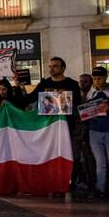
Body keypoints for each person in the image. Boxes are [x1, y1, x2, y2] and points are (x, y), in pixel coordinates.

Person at [33, 56, 86, 193]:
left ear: (63, 68)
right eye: (50, 66)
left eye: (55, 66)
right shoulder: (43, 84)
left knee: (71, 156)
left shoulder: (72, 84)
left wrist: (51, 100)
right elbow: (28, 98)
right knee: (50, 155)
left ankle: (70, 182)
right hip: (49, 129)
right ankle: (53, 182)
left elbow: (76, 105)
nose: (51, 69)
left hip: (68, 127)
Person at [84, 66, 109, 201]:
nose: (97, 81)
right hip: (95, 130)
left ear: (106, 77)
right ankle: (100, 188)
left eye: (99, 78)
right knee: (100, 161)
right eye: (95, 79)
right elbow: (86, 111)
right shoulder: (91, 93)